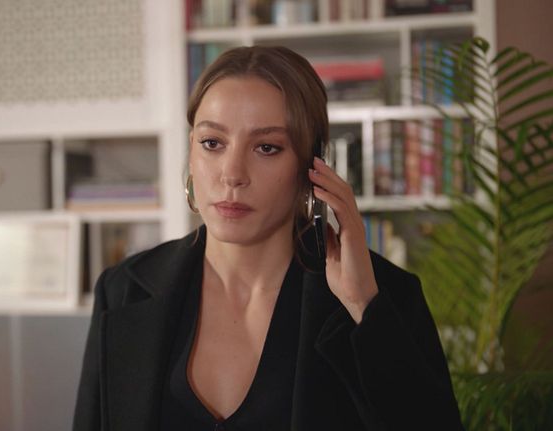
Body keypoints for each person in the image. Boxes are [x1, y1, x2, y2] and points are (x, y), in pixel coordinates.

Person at [73, 46, 463, 430]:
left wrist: (364, 306)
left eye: (266, 148)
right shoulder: (122, 290)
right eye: (212, 143)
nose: (232, 174)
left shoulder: (383, 298)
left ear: (311, 165)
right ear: (191, 151)